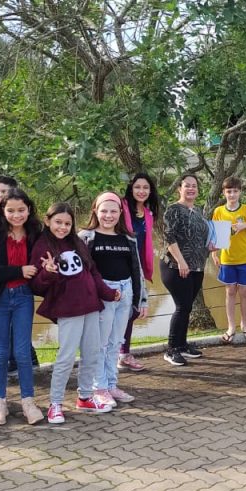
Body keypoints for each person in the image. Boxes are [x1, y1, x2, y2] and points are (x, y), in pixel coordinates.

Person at [31, 202, 117, 424]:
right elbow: (36, 286)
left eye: (67, 223)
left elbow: (93, 272)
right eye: (58, 222)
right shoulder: (42, 246)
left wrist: (108, 293)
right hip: (68, 308)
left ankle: (85, 397)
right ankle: (55, 404)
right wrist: (48, 272)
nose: (62, 227)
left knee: (92, 353)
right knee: (66, 356)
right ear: (47, 221)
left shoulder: (77, 242)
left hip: (90, 305)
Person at [0, 189, 43, 426]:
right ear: (3, 211)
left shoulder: (35, 232)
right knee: (0, 353)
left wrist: (47, 267)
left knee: (23, 352)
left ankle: (28, 402)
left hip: (24, 296)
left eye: (21, 210)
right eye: (11, 210)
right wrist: (19, 271)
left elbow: (41, 263)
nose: (17, 215)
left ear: (29, 209)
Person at [79, 192, 146, 407]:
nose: (108, 216)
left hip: (125, 291)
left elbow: (137, 269)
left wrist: (142, 299)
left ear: (120, 213)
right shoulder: (86, 237)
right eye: (104, 211)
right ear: (95, 211)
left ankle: (111, 384)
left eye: (113, 211)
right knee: (100, 343)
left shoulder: (128, 238)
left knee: (116, 342)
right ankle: (99, 387)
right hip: (102, 294)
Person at [0, 175, 40, 375]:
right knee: (0, 346)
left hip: (23, 292)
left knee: (22, 344)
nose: (1, 195)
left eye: (5, 191)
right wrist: (19, 271)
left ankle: (28, 370)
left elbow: (39, 258)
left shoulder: (33, 230)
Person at [160, 174, 212, 367]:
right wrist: (181, 262)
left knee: (187, 307)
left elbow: (200, 238)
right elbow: (169, 237)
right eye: (187, 185)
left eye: (194, 186)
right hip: (176, 266)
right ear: (179, 189)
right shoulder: (173, 210)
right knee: (182, 306)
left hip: (196, 267)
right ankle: (171, 349)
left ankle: (182, 345)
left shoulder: (197, 211)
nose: (191, 189)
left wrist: (211, 246)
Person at [212, 176, 246, 344]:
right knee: (230, 292)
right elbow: (216, 235)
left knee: (244, 292)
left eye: (235, 191)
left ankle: (245, 325)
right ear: (224, 192)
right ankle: (231, 327)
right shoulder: (219, 211)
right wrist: (214, 254)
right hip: (227, 259)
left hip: (244, 258)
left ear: (240, 192)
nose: (232, 194)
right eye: (229, 191)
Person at [118, 173, 159, 372]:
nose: (141, 191)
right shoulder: (121, 207)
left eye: (145, 188)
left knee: (133, 310)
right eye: (137, 187)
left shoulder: (148, 214)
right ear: (131, 188)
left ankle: (123, 353)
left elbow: (146, 243)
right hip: (119, 265)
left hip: (138, 267)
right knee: (118, 311)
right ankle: (117, 352)